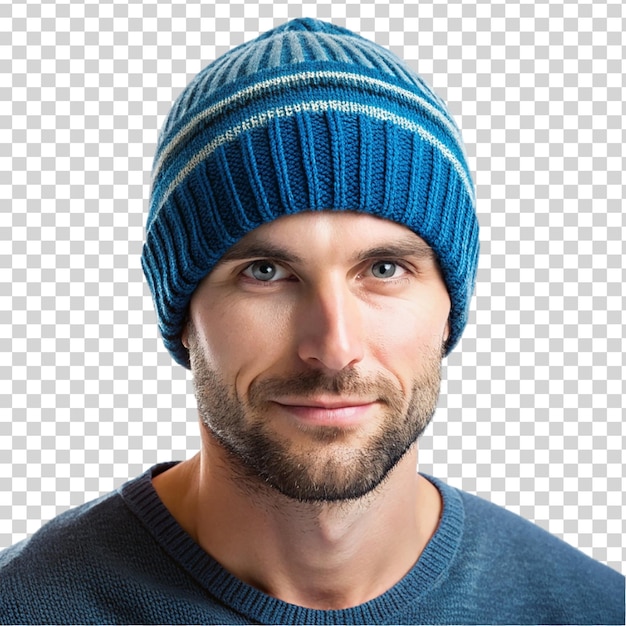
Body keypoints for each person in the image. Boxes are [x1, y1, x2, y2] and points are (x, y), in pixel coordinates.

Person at [0, 18, 623, 625]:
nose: (334, 348)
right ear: (183, 311)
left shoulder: (593, 612)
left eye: (383, 269)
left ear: (450, 307)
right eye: (266, 272)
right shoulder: (24, 608)